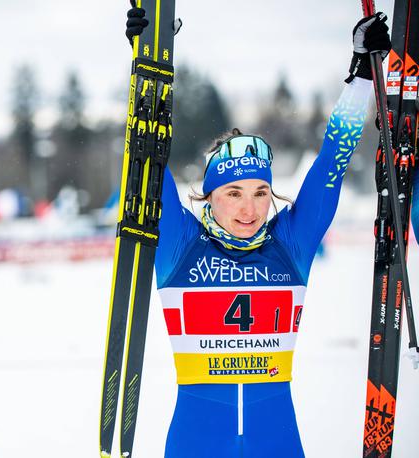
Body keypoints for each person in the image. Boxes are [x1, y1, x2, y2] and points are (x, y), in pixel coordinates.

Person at [126, 9, 391, 458]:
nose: (249, 208)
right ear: (209, 197)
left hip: (278, 441)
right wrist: (147, 62)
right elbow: (146, 157)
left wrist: (363, 74)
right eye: (233, 193)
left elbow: (332, 161)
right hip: (196, 442)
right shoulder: (180, 247)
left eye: (260, 192)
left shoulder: (290, 245)